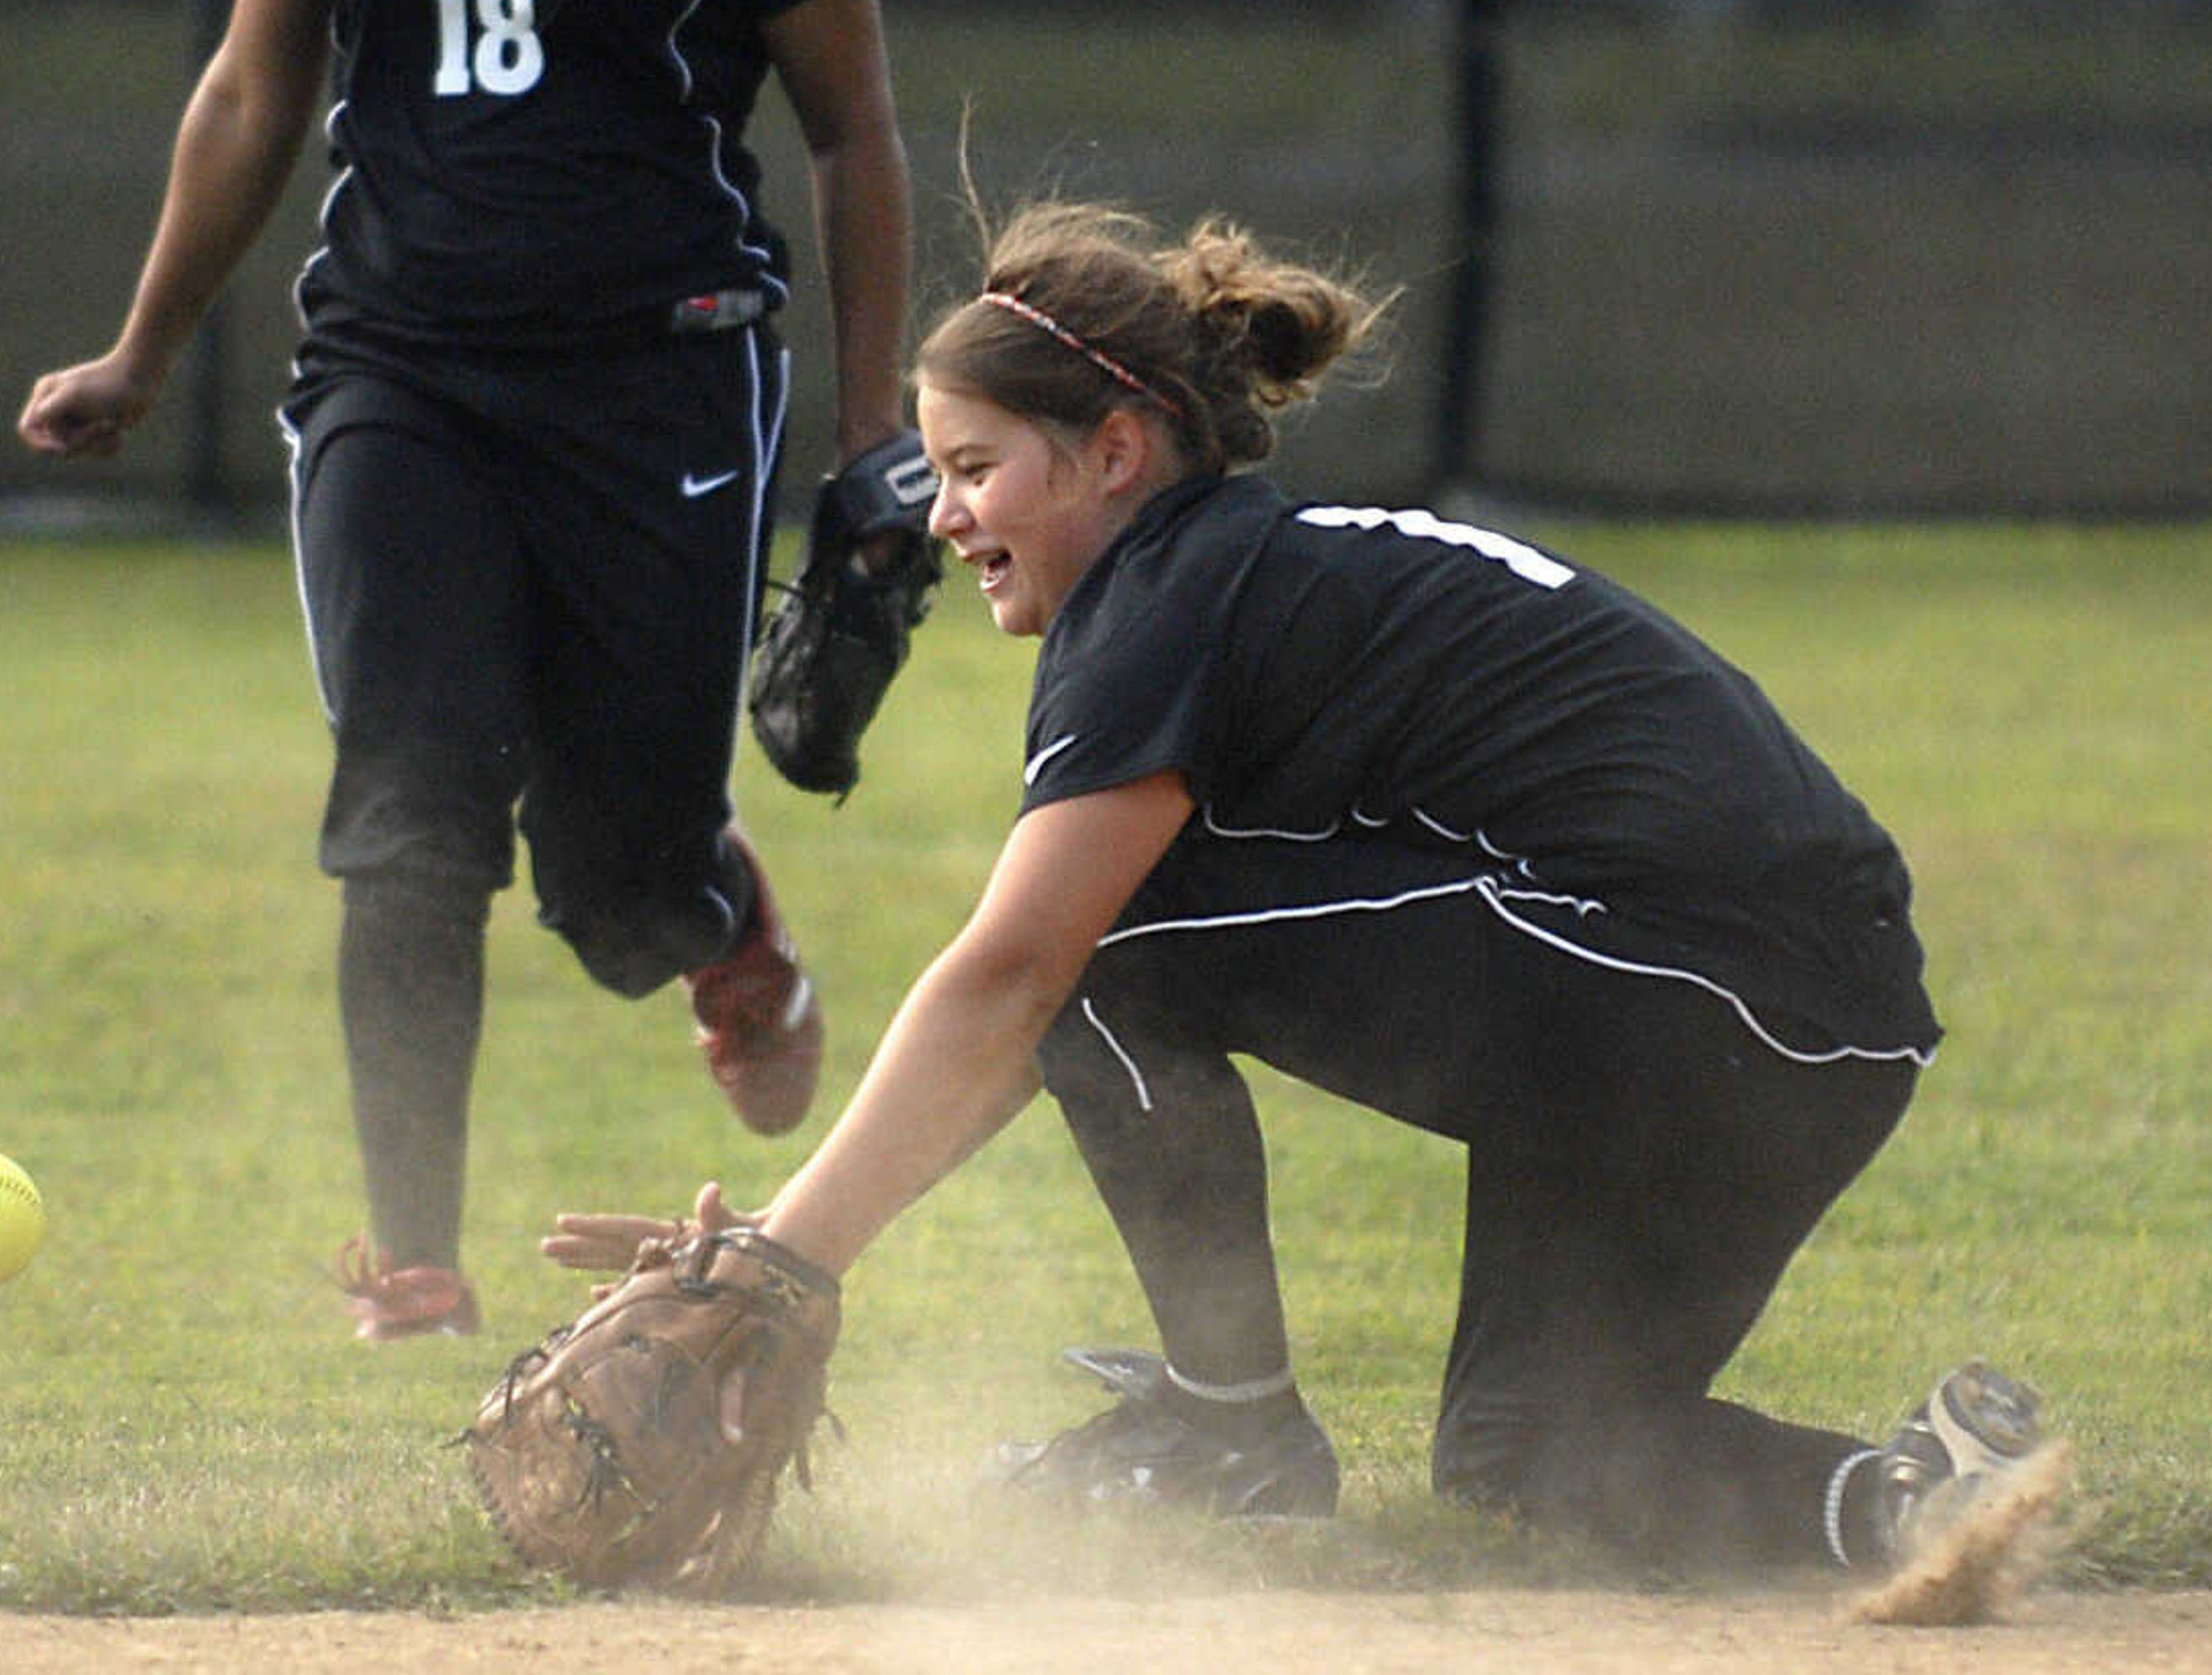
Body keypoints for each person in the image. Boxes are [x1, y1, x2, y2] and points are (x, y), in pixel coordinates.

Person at [551, 198, 2054, 1580]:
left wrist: (788, 1259)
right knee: (1530, 1458)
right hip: (1805, 1026)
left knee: (1101, 941)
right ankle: (1912, 1502)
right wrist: (789, 1239)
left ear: (1119, 451)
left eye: (974, 467)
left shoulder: (1166, 597)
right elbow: (1048, 1024)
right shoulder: (1232, 572)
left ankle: (1231, 1434)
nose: (944, 518)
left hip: (1701, 982)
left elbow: (1031, 976)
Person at [21, 0, 915, 1344]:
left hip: (660, 379)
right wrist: (143, 349)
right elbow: (252, 101)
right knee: (414, 799)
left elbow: (852, 130)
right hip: (398, 374)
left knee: (610, 890)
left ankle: (720, 915)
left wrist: (874, 438)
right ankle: (409, 1252)